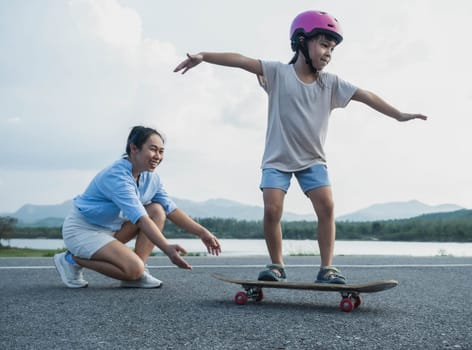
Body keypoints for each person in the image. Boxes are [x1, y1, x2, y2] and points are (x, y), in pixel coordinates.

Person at [174, 10, 427, 284]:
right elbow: (241, 60)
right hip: (277, 159)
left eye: (332, 48)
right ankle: (276, 265)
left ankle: (327, 268)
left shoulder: (331, 83)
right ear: (301, 42)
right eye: (323, 44)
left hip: (312, 160)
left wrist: (399, 114)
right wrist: (203, 56)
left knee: (327, 207)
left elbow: (366, 95)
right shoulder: (278, 73)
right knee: (271, 209)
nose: (328, 52)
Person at [54, 126, 221, 288]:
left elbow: (171, 210)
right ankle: (71, 259)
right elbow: (141, 219)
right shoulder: (116, 176)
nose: (158, 156)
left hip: (111, 229)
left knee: (157, 210)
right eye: (153, 149)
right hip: (83, 231)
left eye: (161, 151)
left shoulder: (151, 178)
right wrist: (167, 248)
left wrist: (202, 232)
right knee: (133, 268)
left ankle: (138, 273)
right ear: (134, 148)